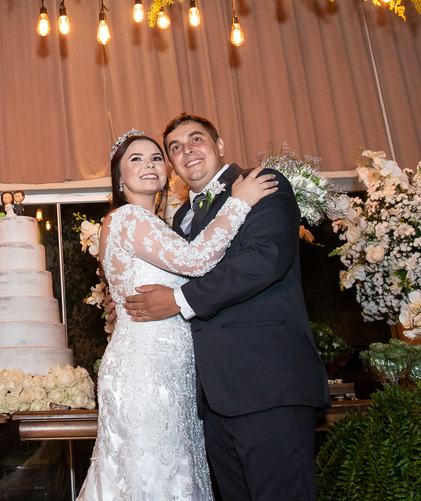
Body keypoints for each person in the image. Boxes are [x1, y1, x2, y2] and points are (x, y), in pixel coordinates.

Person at [124, 113, 330, 501]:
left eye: (196, 139)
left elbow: (264, 260)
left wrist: (178, 300)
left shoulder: (261, 183)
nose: (187, 150)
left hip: (267, 383)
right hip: (213, 398)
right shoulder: (181, 218)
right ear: (173, 165)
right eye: (175, 147)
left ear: (219, 145)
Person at [76, 129, 277, 501]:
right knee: (152, 477)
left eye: (156, 158)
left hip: (168, 367)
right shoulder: (128, 218)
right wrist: (239, 202)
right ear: (119, 176)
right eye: (136, 159)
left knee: (173, 475)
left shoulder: (151, 224)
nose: (150, 165)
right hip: (147, 370)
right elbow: (195, 260)